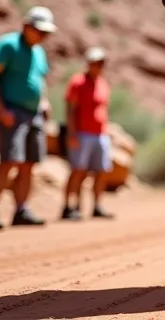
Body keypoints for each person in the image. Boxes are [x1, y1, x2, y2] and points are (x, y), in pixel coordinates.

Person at [0, 6, 56, 230]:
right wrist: (0, 109)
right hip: (12, 111)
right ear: (26, 26)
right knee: (9, 161)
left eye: (46, 33)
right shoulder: (8, 44)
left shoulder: (39, 52)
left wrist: (44, 101)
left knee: (29, 164)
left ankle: (21, 210)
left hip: (34, 114)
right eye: (39, 31)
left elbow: (39, 80)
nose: (43, 36)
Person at [61, 47, 115, 220]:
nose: (99, 66)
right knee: (78, 171)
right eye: (96, 63)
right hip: (82, 133)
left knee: (101, 171)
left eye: (102, 63)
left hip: (100, 134)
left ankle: (97, 206)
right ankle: (70, 206)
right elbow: (70, 108)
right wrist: (72, 133)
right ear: (89, 63)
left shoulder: (103, 84)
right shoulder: (78, 82)